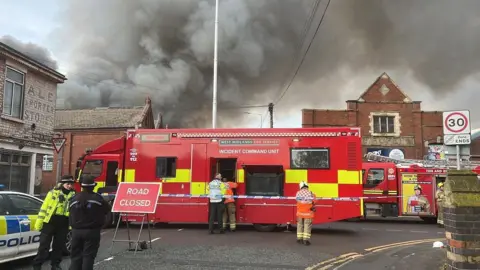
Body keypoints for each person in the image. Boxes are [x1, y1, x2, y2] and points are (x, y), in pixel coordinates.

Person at [33, 175, 76, 270]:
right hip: (50, 222)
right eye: (67, 184)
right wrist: (39, 223)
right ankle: (37, 265)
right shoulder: (53, 193)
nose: (69, 186)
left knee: (59, 246)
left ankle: (55, 265)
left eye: (71, 184)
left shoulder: (73, 195)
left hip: (63, 223)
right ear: (62, 184)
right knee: (44, 246)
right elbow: (44, 208)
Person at [69, 175, 111, 270]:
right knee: (88, 257)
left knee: (75, 257)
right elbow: (107, 209)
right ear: (93, 186)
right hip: (92, 231)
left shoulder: (74, 198)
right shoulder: (98, 199)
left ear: (82, 186)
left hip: (76, 231)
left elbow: (70, 212)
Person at [296, 181, 316, 246]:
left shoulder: (298, 193)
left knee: (300, 225)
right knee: (307, 225)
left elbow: (297, 200)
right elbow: (315, 201)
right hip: (308, 213)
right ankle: (305, 240)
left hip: (300, 213)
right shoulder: (311, 193)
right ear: (307, 186)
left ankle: (299, 239)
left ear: (300, 186)